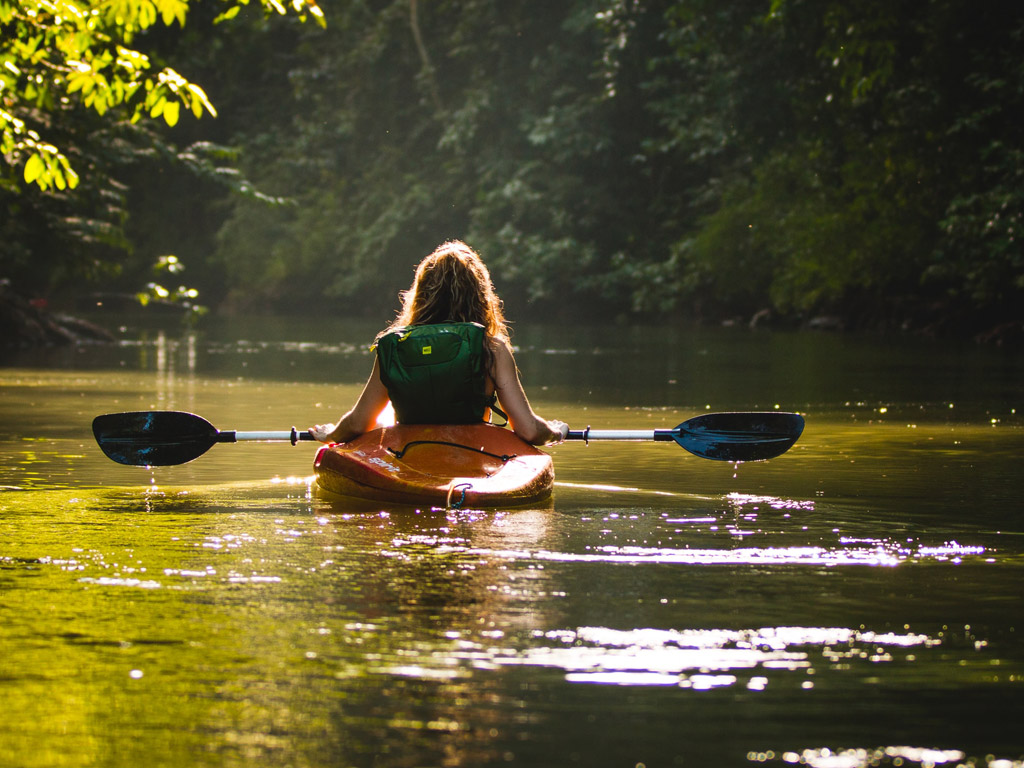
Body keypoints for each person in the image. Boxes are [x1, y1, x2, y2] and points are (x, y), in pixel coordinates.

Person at [308, 240, 568, 446]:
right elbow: (529, 430)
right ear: (480, 295)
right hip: (473, 453)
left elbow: (357, 424)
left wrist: (332, 434)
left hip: (408, 453)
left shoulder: (395, 347)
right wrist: (555, 431)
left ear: (421, 294)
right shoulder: (492, 349)